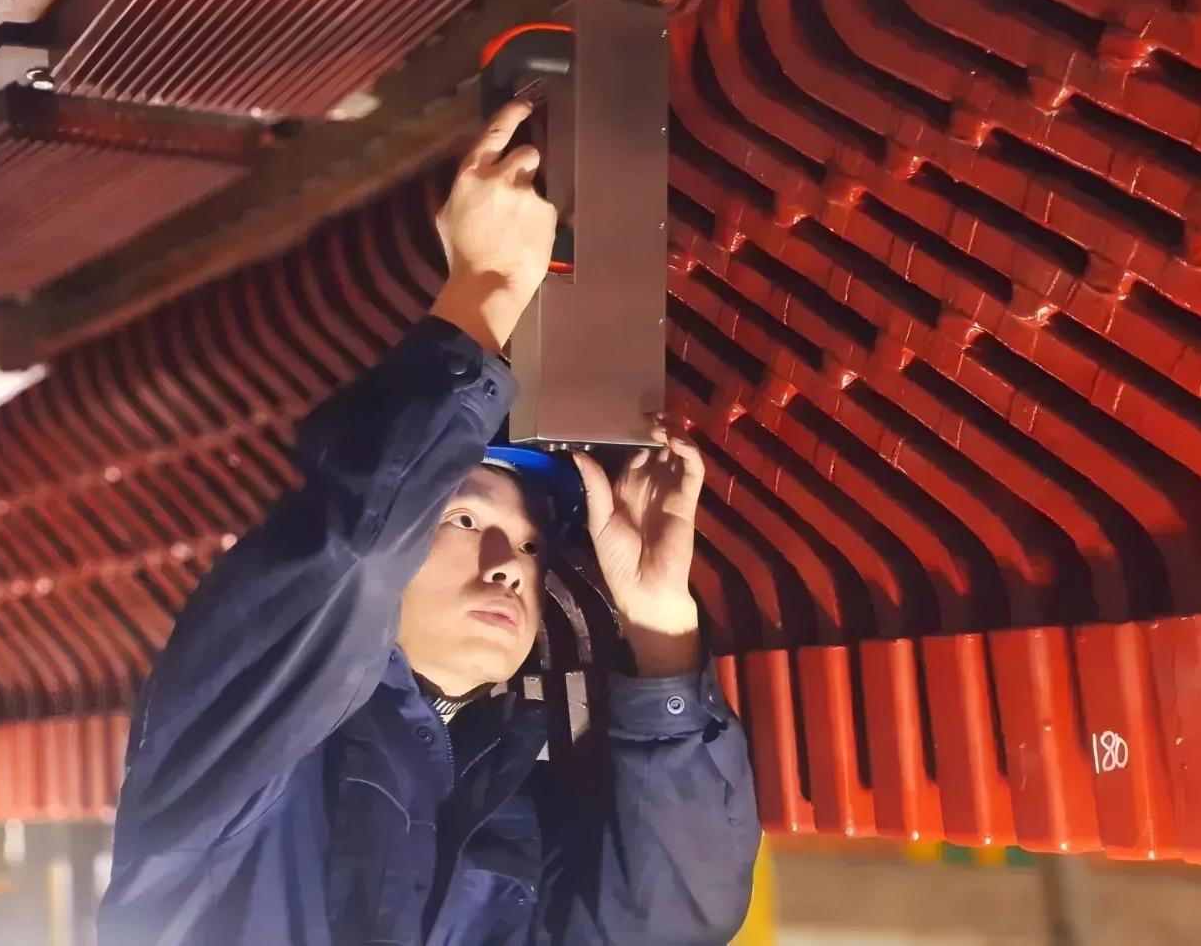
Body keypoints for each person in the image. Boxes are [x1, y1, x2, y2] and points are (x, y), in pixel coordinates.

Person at [98, 100, 759, 946]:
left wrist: (480, 295)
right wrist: (661, 627)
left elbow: (347, 562)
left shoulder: (237, 748)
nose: (510, 564)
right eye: (466, 519)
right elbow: (676, 921)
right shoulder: (506, 799)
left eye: (529, 543)